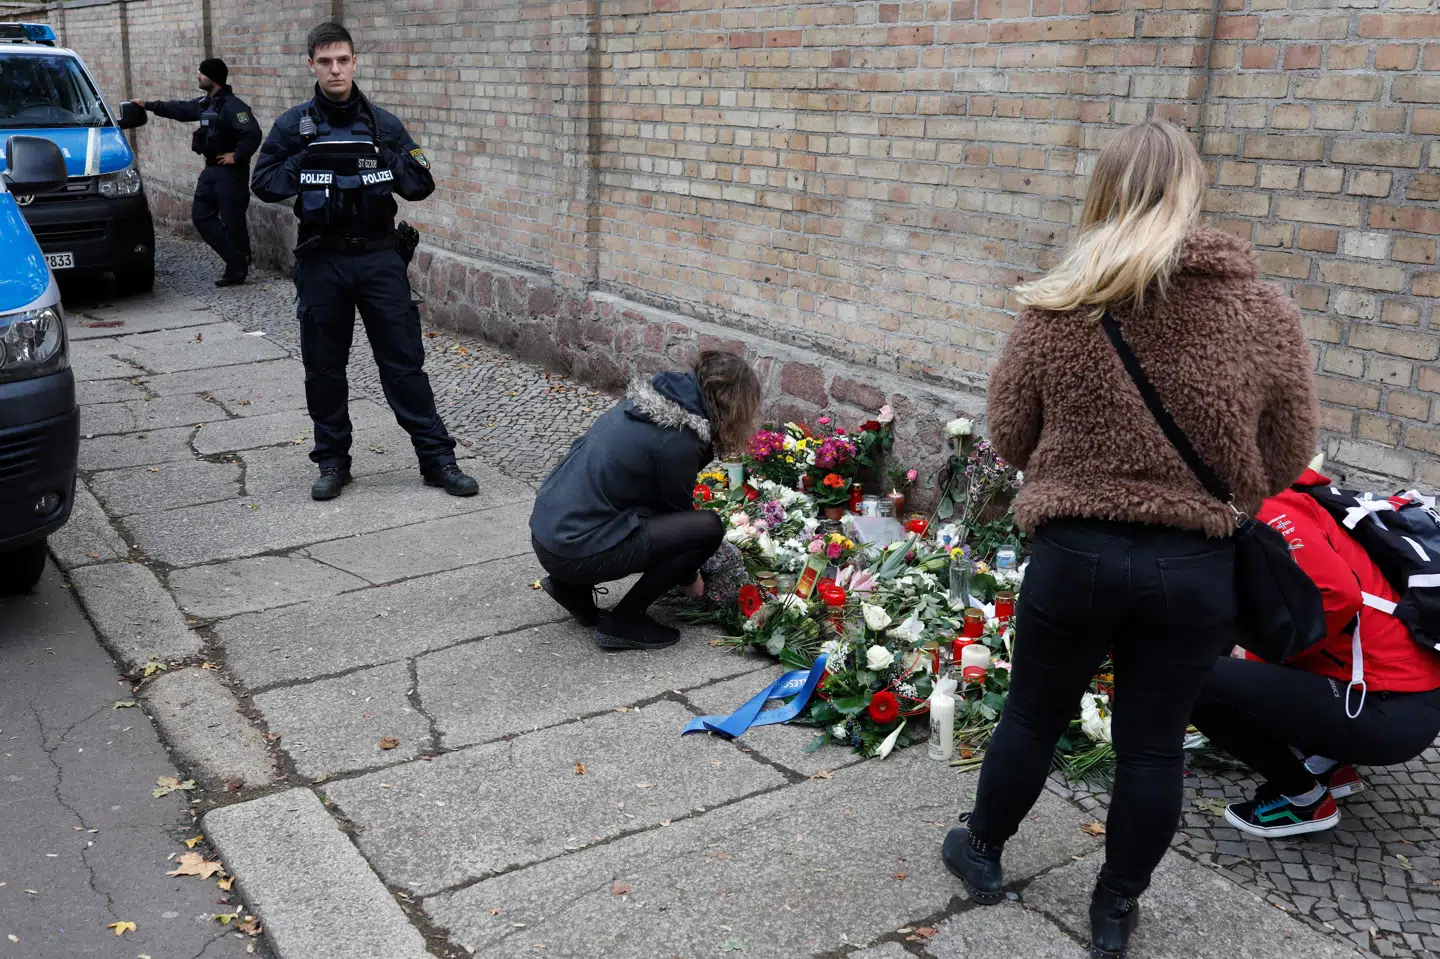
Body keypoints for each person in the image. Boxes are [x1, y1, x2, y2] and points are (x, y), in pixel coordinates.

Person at [940, 121, 1317, 959]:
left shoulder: (1059, 306)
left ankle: (982, 852)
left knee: (1033, 714)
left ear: (1101, 196)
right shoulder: (1262, 311)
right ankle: (1114, 907)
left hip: (1073, 555)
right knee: (1153, 742)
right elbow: (1289, 452)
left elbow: (1007, 433)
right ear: (1190, 194)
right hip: (1193, 566)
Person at [250, 22, 477, 501]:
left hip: (378, 260)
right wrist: (307, 160)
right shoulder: (294, 126)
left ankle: (438, 461)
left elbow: (421, 183)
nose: (336, 69)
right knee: (324, 369)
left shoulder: (382, 123)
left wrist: (382, 159)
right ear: (311, 64)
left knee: (404, 367)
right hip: (321, 261)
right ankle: (333, 463)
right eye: (326, 61)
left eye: (343, 60)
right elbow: (264, 182)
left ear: (354, 62)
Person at [1190, 465, 1440, 839]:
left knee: (1191, 676)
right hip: (1398, 692)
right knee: (1231, 651)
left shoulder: (1270, 508)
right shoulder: (1287, 494)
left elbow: (1337, 597)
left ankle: (1302, 798)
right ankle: (1328, 763)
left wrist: (1255, 657)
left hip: (1386, 707)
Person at [529, 351, 761, 651]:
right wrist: (690, 577)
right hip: (573, 548)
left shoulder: (644, 404)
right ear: (732, 404)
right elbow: (679, 520)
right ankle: (625, 621)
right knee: (708, 528)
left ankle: (570, 587)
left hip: (548, 535)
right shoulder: (678, 439)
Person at [133, 58, 260, 286]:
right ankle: (237, 257)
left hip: (231, 174)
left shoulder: (234, 106)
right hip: (211, 170)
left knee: (233, 221)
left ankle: (236, 267)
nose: (198, 76)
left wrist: (237, 156)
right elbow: (180, 109)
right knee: (201, 216)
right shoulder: (206, 103)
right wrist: (148, 105)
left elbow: (252, 133)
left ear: (212, 77)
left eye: (201, 73)